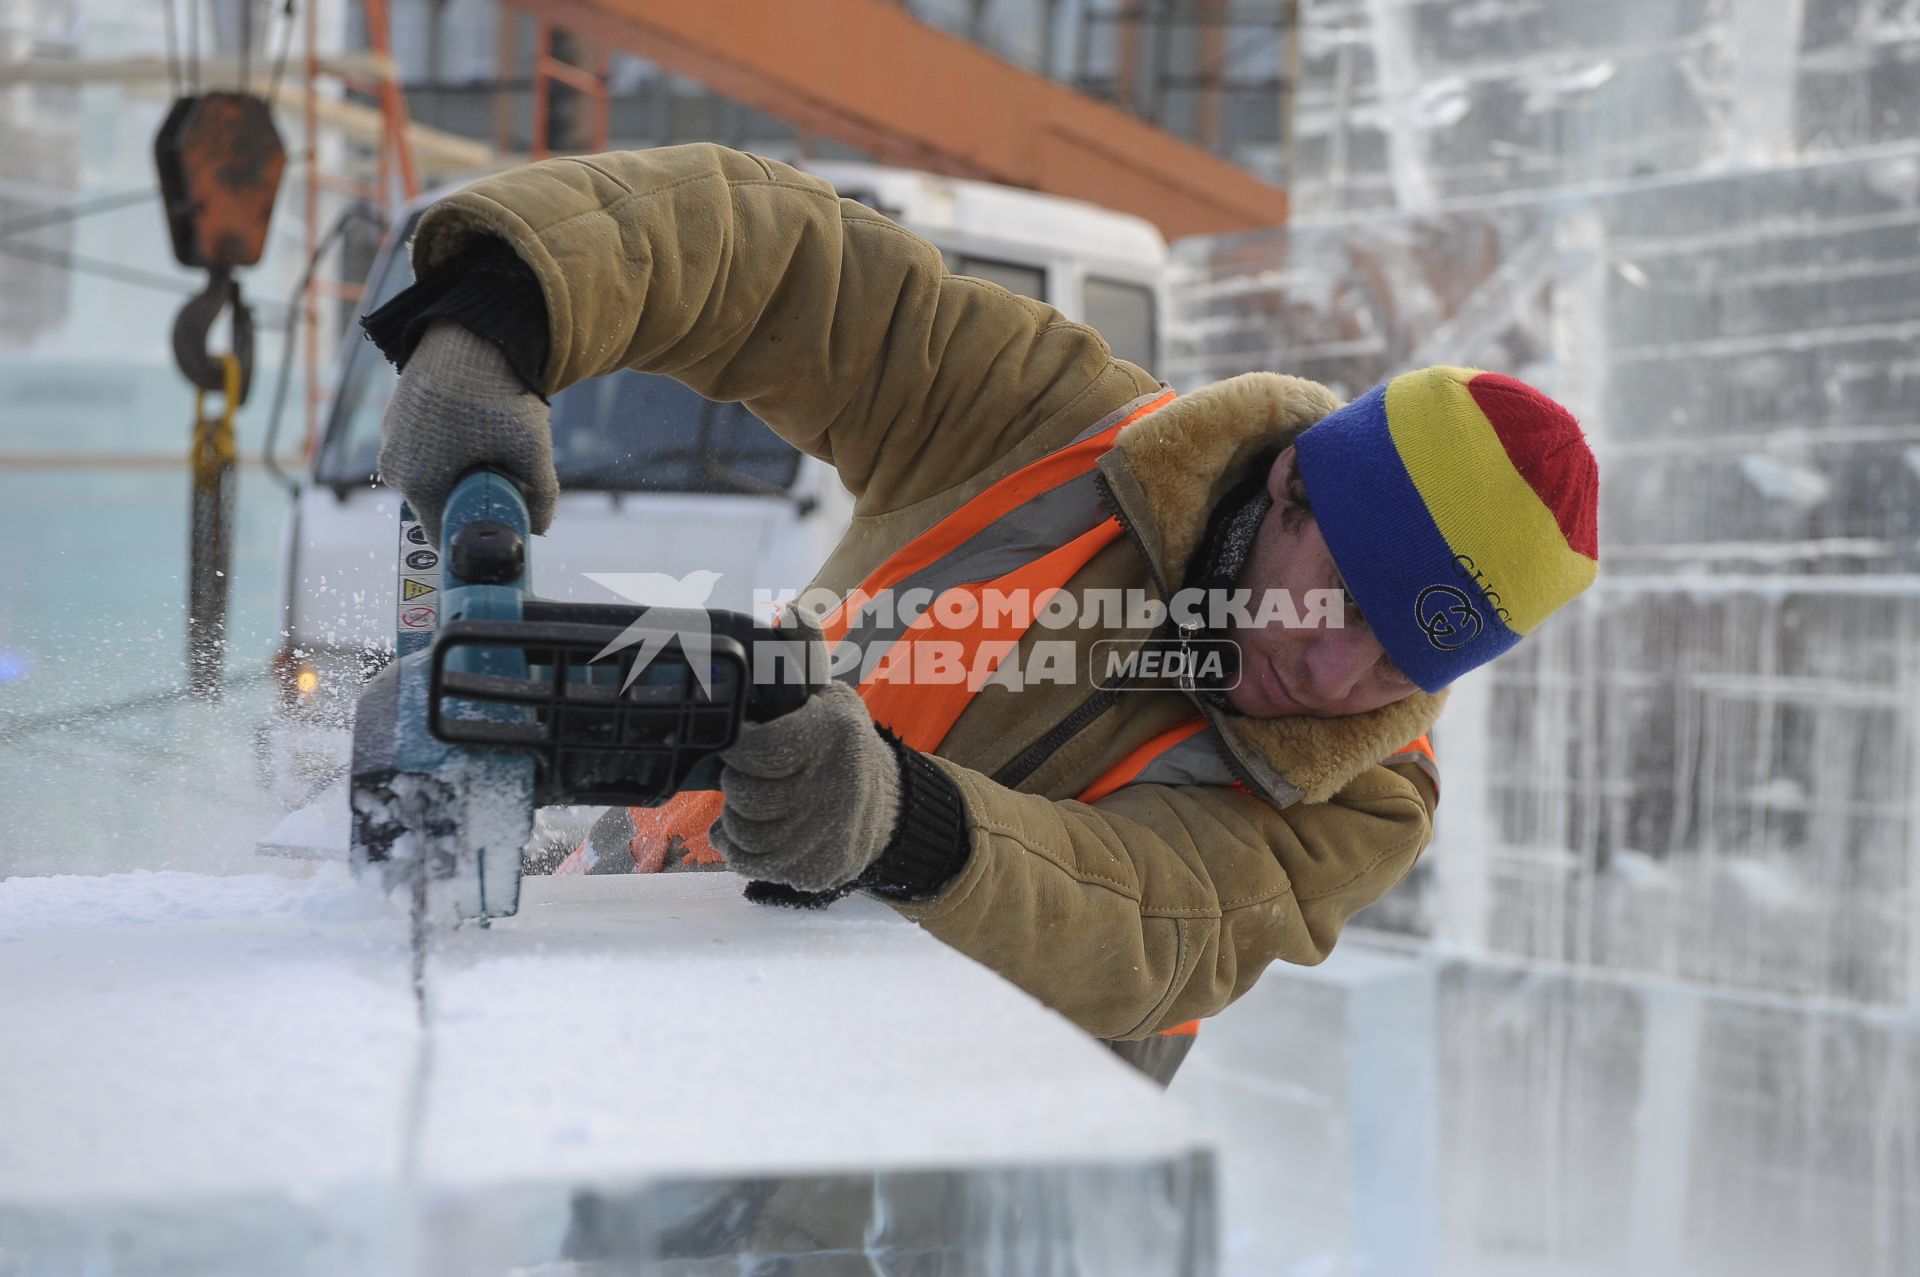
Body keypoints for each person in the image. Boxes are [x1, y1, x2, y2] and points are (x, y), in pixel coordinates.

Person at [367, 143, 1598, 1086]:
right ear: (1290, 483)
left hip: (913, 1198)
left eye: (1400, 663)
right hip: (643, 978)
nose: (1336, 674)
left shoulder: (1369, 800)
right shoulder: (1042, 424)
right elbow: (784, 265)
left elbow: (1145, 922)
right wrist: (505, 313)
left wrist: (895, 820)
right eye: (1343, 597)